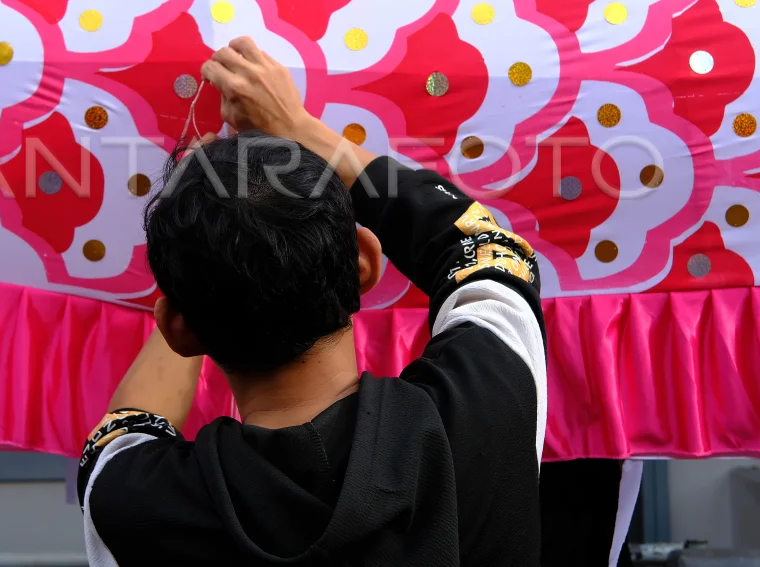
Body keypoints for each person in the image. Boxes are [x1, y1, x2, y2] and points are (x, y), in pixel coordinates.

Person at [77, 37, 546, 567]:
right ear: (365, 262)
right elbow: (489, 248)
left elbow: (125, 429)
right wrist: (301, 129)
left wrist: (203, 242)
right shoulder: (486, 401)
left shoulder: (134, 505)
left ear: (177, 329)